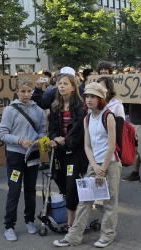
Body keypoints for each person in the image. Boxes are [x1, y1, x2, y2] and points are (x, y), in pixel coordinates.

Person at [53, 82, 122, 248]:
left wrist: (102, 168)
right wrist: (94, 166)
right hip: (94, 164)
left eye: (93, 96)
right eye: (87, 96)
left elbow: (112, 146)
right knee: (84, 201)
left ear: (101, 99)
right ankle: (74, 236)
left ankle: (107, 235)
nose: (89, 99)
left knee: (109, 202)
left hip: (111, 164)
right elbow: (87, 146)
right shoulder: (87, 118)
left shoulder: (109, 116)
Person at [0, 78, 47, 241]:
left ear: (33, 92)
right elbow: (2, 134)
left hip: (32, 155)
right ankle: (9, 226)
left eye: (29, 91)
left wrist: (37, 141)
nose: (26, 94)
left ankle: (30, 220)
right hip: (15, 155)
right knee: (14, 190)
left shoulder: (39, 111)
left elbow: (42, 131)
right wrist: (19, 140)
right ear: (17, 91)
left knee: (31, 190)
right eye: (23, 91)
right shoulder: (9, 110)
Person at [48, 73, 88, 228]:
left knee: (72, 187)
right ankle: (73, 215)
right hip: (59, 152)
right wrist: (53, 138)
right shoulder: (55, 106)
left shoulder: (79, 106)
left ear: (73, 87)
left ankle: (72, 223)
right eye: (60, 83)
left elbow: (78, 130)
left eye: (65, 83)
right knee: (62, 183)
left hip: (74, 152)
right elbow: (51, 128)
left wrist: (63, 141)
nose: (62, 86)